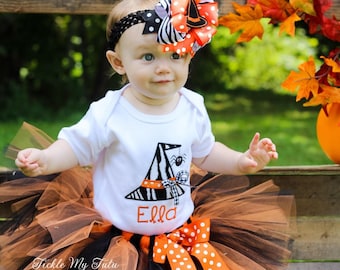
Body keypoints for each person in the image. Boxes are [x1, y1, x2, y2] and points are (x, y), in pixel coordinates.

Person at [0, 0, 294, 269]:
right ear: (119, 63)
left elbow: (205, 151)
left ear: (189, 56)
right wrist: (46, 159)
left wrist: (242, 161)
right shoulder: (109, 113)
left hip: (179, 233)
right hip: (114, 240)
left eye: (175, 55)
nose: (164, 68)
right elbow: (76, 147)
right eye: (148, 57)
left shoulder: (192, 106)